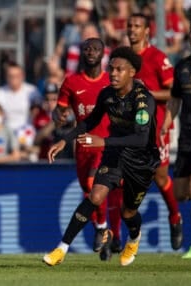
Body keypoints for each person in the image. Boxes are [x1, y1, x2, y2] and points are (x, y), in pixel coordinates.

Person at [43, 46, 160, 267]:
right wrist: (64, 139)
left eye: (119, 70)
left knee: (128, 213)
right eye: (111, 69)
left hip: (141, 161)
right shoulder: (107, 94)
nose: (113, 74)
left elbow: (141, 139)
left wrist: (102, 141)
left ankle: (133, 238)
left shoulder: (143, 100)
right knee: (95, 196)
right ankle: (61, 248)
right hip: (114, 155)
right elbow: (91, 120)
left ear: (132, 72)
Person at [55, 37, 125, 261]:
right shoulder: (72, 82)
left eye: (96, 48)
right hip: (83, 146)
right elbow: (60, 109)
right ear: (82, 53)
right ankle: (104, 231)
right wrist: (60, 116)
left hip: (106, 145)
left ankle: (104, 228)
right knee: (90, 193)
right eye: (87, 48)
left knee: (92, 185)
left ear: (103, 54)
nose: (91, 51)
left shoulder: (111, 81)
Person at [127, 13, 183, 250]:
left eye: (137, 26)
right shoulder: (123, 59)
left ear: (147, 31)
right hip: (129, 129)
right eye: (129, 25)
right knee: (122, 180)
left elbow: (173, 92)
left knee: (160, 177)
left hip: (157, 127)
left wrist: (145, 92)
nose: (132, 30)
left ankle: (174, 217)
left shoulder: (157, 58)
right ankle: (118, 235)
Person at [163, 17, 191, 258]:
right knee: (181, 193)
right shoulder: (182, 67)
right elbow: (175, 99)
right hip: (186, 136)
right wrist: (165, 124)